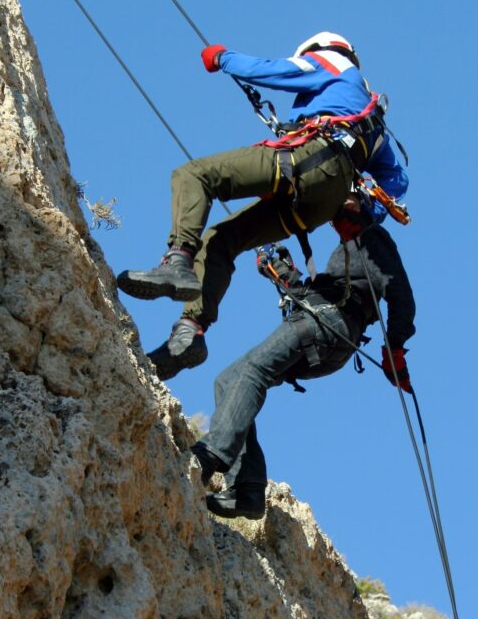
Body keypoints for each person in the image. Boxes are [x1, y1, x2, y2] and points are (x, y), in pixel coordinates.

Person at [115, 32, 409, 379]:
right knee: (221, 240)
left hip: (309, 159)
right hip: (320, 203)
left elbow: (276, 71)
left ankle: (177, 260)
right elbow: (397, 180)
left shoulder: (334, 62)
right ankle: (190, 333)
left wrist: (223, 59)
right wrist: (364, 210)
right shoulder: (372, 122)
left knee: (194, 176)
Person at [190, 224, 416, 519]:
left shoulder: (371, 236)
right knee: (228, 381)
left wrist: (394, 348)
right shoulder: (350, 253)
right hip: (327, 332)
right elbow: (312, 292)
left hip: (324, 323)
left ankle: (210, 455)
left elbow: (401, 295)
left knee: (251, 372)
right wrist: (280, 270)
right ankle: (248, 489)